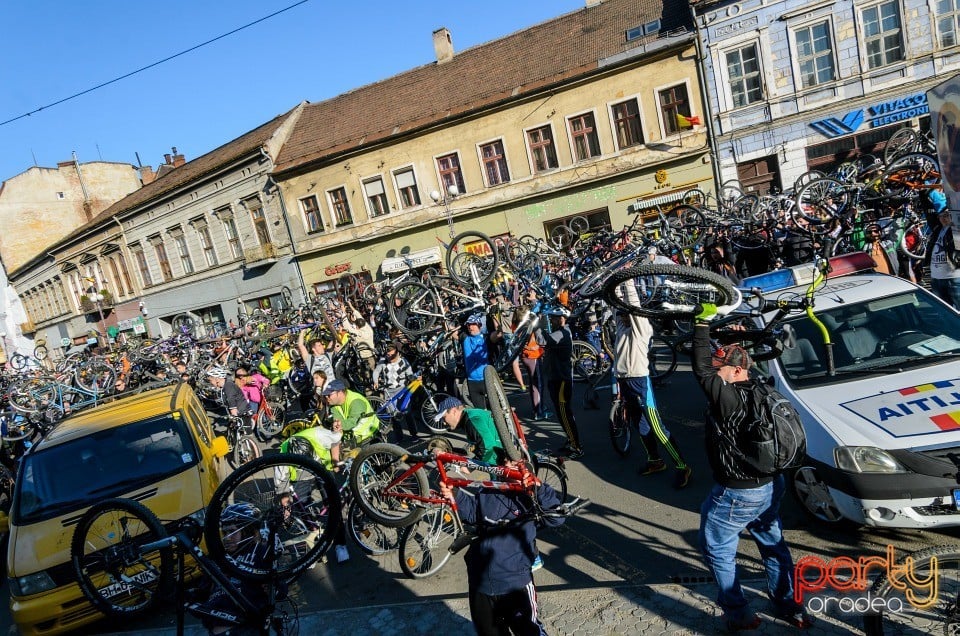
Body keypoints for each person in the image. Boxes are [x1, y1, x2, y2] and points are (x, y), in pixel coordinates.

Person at [691, 303, 811, 631]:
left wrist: (701, 325)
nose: (715, 373)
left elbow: (701, 368)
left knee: (715, 545)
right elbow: (725, 363)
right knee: (772, 541)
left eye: (720, 368)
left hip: (738, 492)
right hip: (773, 484)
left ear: (733, 370)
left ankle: (738, 612)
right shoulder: (761, 388)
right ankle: (789, 604)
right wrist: (737, 340)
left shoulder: (728, 399)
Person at [438, 467, 564, 636]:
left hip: (515, 585)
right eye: (505, 464)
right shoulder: (489, 490)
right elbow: (472, 513)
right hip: (480, 583)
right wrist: (455, 494)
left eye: (516, 464)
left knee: (529, 632)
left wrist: (539, 488)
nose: (510, 468)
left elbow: (556, 518)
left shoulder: (531, 497)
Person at [613, 293, 691, 489]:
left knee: (657, 427)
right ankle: (655, 460)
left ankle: (682, 466)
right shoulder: (622, 327)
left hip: (639, 381)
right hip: (624, 381)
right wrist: (615, 281)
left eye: (626, 313)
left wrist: (629, 282)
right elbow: (614, 303)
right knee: (640, 425)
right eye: (621, 314)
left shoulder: (642, 329)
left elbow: (634, 305)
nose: (622, 316)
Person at [541, 307, 583, 459]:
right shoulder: (560, 331)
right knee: (561, 413)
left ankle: (576, 447)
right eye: (551, 317)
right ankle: (570, 440)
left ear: (561, 319)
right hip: (555, 378)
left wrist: (539, 327)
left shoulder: (562, 333)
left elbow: (544, 340)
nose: (551, 320)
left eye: (554, 318)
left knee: (565, 413)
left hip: (561, 380)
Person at [434, 396, 505, 465]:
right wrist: (448, 452)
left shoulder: (472, 420)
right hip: (499, 457)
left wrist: (470, 467)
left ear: (454, 411)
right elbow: (474, 447)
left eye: (444, 418)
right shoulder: (469, 416)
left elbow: (488, 447)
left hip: (501, 460)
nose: (443, 422)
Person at [373, 341, 420, 443]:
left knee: (408, 413)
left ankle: (414, 435)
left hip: (402, 391)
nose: (389, 357)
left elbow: (410, 374)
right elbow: (376, 371)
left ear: (397, 353)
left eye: (392, 355)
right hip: (388, 392)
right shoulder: (382, 361)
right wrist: (375, 381)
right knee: (393, 416)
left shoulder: (404, 362)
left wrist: (415, 378)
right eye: (388, 355)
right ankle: (399, 438)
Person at [925, 196, 960, 310]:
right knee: (944, 312)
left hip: (954, 278)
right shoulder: (937, 229)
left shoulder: (955, 230)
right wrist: (923, 195)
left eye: (946, 215)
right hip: (936, 278)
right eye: (941, 216)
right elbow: (929, 214)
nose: (943, 218)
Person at [461, 312, 502, 408]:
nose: (470, 327)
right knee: (481, 412)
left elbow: (499, 334)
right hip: (472, 381)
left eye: (473, 324)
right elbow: (450, 332)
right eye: (468, 324)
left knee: (497, 408)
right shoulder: (464, 337)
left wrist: (495, 319)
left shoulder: (486, 338)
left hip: (487, 379)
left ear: (479, 325)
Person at [321, 379, 379, 446]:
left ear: (340, 392)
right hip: (352, 437)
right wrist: (336, 424)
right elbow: (338, 420)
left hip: (368, 435)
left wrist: (340, 425)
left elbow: (352, 422)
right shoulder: (334, 405)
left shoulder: (356, 402)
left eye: (329, 395)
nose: (326, 397)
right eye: (325, 395)